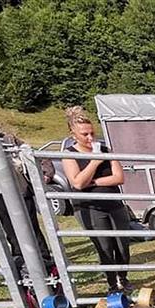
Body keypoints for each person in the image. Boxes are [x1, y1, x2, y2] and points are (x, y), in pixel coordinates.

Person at [0, 109, 54, 272]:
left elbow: (34, 155)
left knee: (31, 226)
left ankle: (45, 260)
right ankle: (19, 261)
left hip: (19, 191)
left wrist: (45, 175)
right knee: (9, 229)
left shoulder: (8, 140)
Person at [62, 106, 132, 292]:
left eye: (92, 133)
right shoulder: (69, 155)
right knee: (104, 246)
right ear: (73, 134)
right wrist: (94, 161)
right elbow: (77, 183)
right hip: (90, 207)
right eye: (85, 134)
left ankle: (123, 278)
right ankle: (112, 284)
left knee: (122, 244)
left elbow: (119, 177)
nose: (90, 138)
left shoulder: (105, 149)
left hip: (114, 203)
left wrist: (92, 180)